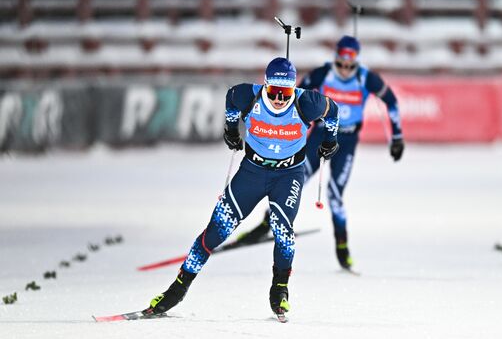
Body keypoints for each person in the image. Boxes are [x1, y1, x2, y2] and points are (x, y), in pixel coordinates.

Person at [142, 57, 339, 319]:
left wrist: (330, 141)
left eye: (285, 93)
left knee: (283, 232)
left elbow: (333, 110)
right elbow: (231, 98)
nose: (280, 99)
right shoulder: (248, 95)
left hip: (288, 175)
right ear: (265, 85)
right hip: (252, 172)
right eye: (274, 92)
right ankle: (177, 289)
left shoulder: (307, 102)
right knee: (215, 231)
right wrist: (231, 129)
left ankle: (279, 288)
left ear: (293, 89)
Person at [237, 35, 404, 271]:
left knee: (335, 195)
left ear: (356, 59)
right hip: (318, 138)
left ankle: (342, 247)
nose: (345, 67)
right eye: (342, 60)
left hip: (346, 144)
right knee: (291, 177)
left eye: (351, 61)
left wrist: (396, 137)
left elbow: (392, 101)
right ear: (336, 55)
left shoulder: (366, 77)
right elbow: (294, 96)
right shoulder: (322, 74)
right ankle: (266, 225)